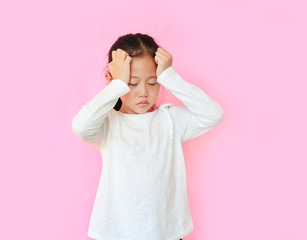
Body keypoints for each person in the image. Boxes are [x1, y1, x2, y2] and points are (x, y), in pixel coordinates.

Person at [72, 33, 224, 240]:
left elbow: (212, 114)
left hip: (167, 233)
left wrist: (169, 76)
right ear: (112, 81)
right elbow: (81, 126)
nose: (143, 92)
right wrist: (117, 84)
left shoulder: (170, 120)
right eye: (132, 83)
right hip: (118, 233)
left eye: (152, 83)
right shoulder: (108, 124)